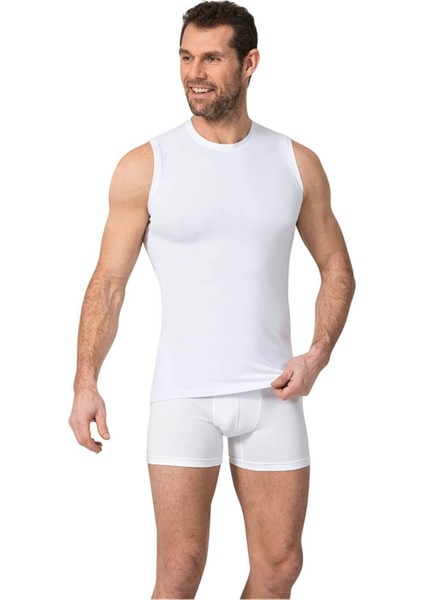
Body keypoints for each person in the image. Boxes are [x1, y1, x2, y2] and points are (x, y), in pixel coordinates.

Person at [68, 1, 355, 598]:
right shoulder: (145, 166)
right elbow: (108, 284)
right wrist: (85, 380)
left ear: (249, 63)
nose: (194, 73)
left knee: (281, 566)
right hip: (184, 395)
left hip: (274, 393)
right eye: (185, 57)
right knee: (180, 571)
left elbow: (336, 268)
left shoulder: (296, 163)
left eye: (211, 58)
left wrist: (317, 354)